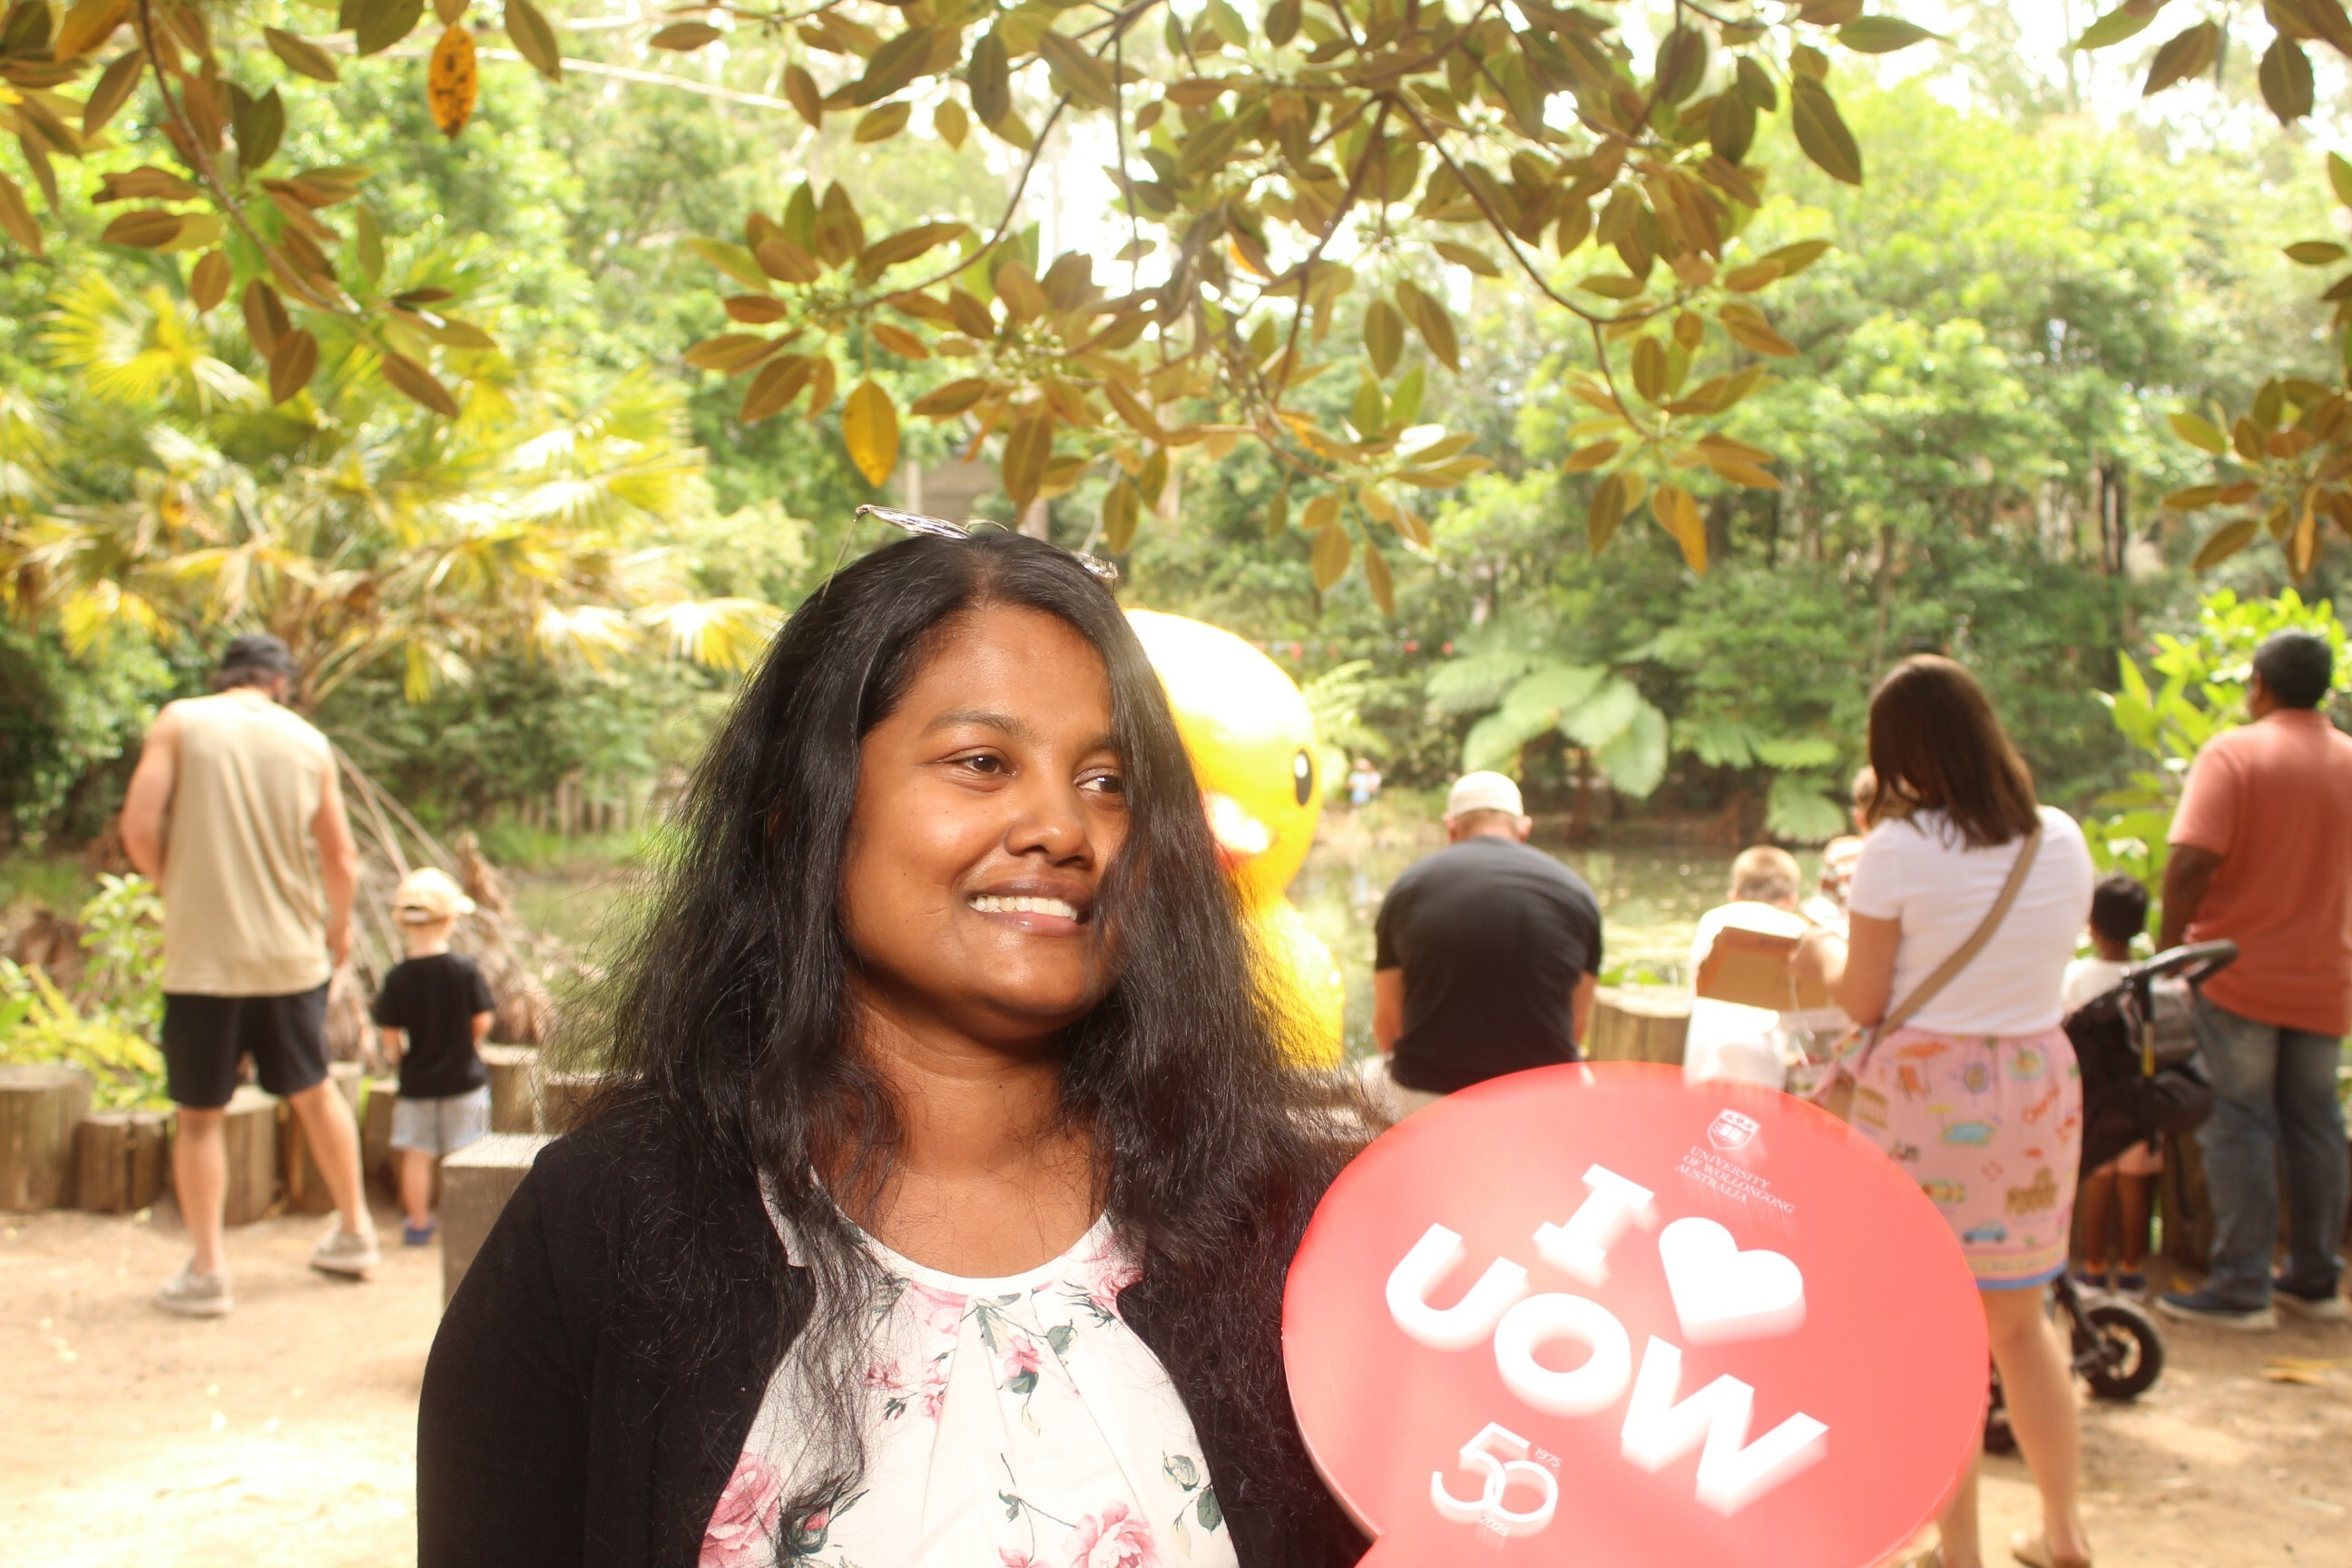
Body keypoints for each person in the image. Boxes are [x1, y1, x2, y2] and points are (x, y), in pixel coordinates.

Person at [417, 526, 1363, 1568]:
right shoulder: (601, 1232)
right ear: (801, 812)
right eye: (982, 763)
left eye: (1109, 781)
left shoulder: (1301, 1238)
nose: (1064, 828)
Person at [1792, 655, 2095, 1568]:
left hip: (1927, 1097)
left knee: (1935, 1333)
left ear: (1896, 754)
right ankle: (2064, 1531)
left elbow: (1864, 998)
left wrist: (1820, 950)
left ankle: (1956, 1548)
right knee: (2022, 1325)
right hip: (2037, 1085)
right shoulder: (2060, 837)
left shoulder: (1895, 850)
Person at [119, 632, 378, 1317]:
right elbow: (341, 859)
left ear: (224, 675)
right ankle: (356, 1232)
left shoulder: (181, 721)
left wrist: (174, 885)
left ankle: (209, 1273)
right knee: (315, 1091)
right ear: (281, 682)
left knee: (200, 1117)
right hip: (290, 957)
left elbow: (138, 828)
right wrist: (339, 927)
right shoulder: (307, 742)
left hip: (203, 960)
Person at [2155, 630, 2352, 1329]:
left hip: (2236, 976)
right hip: (2325, 978)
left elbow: (2190, 862)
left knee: (2239, 1123)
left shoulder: (2234, 754)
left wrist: (2170, 951)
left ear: (2259, 686)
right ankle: (2316, 1280)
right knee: (2316, 1123)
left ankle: (2243, 1285)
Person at [1367, 770, 1602, 1122]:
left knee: (1367, 1074)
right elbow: (1575, 1028)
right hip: (1545, 1102)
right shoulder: (1578, 894)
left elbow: (1388, 1031)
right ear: (1524, 829)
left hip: (1428, 1101)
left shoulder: (1407, 888)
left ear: (1451, 828)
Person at [374, 868, 496, 1247]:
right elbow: (482, 1019)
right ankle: (468, 1224)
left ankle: (417, 1223)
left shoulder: (396, 977)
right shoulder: (464, 969)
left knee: (417, 1153)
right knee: (468, 1151)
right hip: (464, 1078)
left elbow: (390, 1035)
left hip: (417, 1082)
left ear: (401, 923)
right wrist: (465, 1043)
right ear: (449, 921)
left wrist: (400, 1057)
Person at [2063, 875, 2158, 1293]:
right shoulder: (2150, 976)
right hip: (2138, 1101)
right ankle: (2133, 1270)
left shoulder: (2077, 976)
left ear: (2092, 924)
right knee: (2135, 1186)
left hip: (2095, 1101)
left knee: (2097, 1183)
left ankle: (2095, 1268)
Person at [1684, 847, 1845, 1090]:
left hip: (1705, 1054)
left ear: (1734, 895)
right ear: (1791, 899)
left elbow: (1695, 989)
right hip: (1761, 1058)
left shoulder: (1712, 919)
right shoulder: (1797, 929)